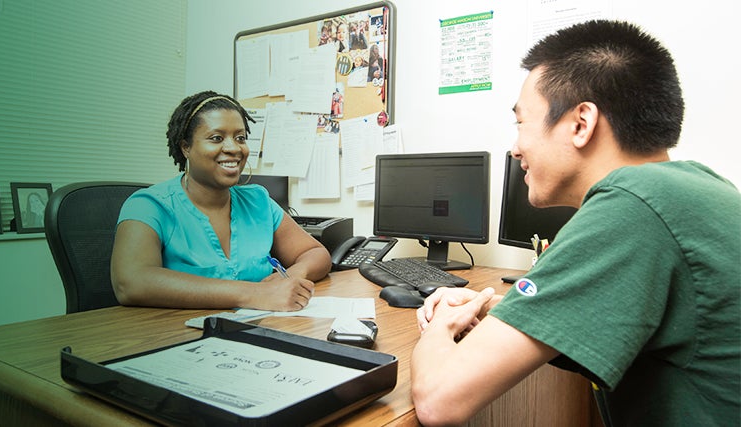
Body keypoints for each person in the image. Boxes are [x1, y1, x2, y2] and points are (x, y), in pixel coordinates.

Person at [411, 20, 740, 426]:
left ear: (581, 123)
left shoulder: (631, 205)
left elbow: (438, 401)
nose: (515, 148)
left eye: (520, 123)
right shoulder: (694, 187)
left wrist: (439, 326)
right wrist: (495, 307)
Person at [111, 91, 332, 311]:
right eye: (217, 138)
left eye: (241, 138)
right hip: (175, 336)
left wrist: (292, 275)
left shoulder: (258, 201)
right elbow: (131, 282)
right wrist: (255, 294)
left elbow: (316, 254)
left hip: (256, 329)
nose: (234, 148)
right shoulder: (149, 206)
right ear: (185, 147)